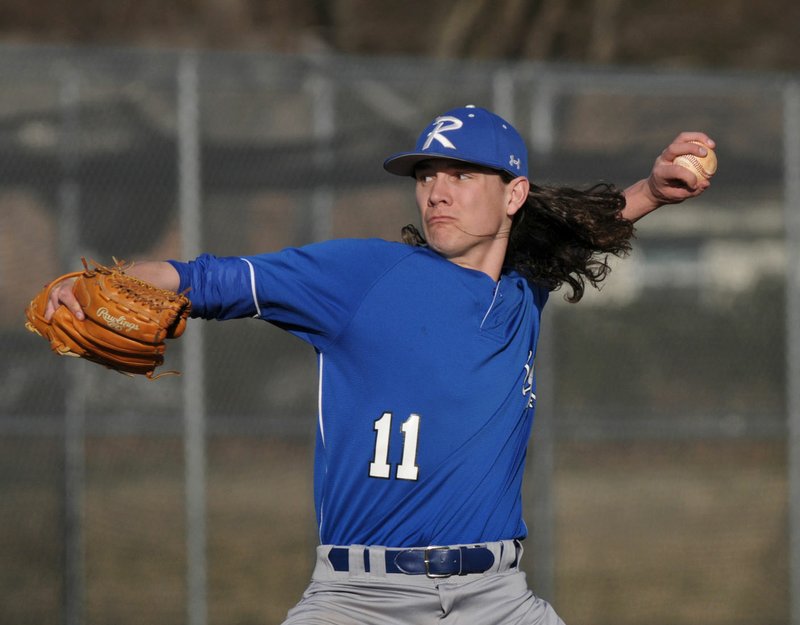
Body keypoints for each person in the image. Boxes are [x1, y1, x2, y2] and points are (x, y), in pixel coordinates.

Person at [46, 105, 713, 624]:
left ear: (513, 195)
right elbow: (212, 278)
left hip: (496, 597)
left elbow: (584, 229)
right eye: (427, 176)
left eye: (461, 174)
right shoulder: (363, 274)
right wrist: (100, 281)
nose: (437, 192)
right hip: (361, 597)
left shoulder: (521, 292)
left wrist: (653, 190)